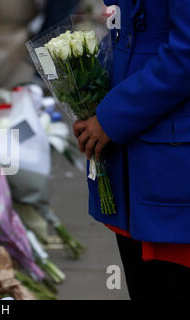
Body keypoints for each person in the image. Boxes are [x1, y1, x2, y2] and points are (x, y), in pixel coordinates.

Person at [73, 0, 190, 299]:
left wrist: (112, 117)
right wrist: (87, 87)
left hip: (170, 155)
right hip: (136, 149)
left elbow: (185, 52)